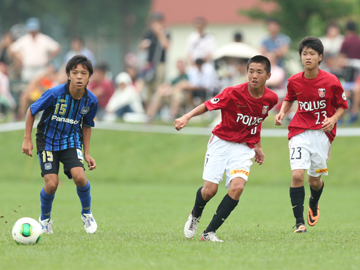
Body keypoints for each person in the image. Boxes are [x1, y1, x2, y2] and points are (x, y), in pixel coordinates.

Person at [175, 55, 278, 242]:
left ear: (268, 76)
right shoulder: (233, 92)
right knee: (209, 191)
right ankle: (195, 215)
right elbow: (208, 105)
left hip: (244, 148)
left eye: (259, 72)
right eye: (251, 71)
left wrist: (258, 147)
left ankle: (209, 233)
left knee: (237, 187)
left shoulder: (271, 98)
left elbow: (256, 122)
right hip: (221, 142)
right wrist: (186, 117)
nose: (254, 75)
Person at [274, 37, 348, 233]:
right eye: (304, 54)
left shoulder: (331, 81)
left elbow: (342, 106)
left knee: (314, 181)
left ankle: (313, 203)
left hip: (322, 134)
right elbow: (289, 98)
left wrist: (332, 119)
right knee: (297, 174)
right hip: (299, 131)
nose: (307, 57)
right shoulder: (294, 80)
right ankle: (299, 223)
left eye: (312, 54)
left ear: (320, 57)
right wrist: (283, 112)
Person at [21, 55, 98, 234]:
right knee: (52, 184)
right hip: (47, 141)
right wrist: (27, 139)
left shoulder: (91, 101)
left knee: (80, 177)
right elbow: (31, 110)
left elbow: (87, 125)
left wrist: (86, 153)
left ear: (89, 77)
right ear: (68, 75)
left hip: (71, 141)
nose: (79, 76)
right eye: (75, 72)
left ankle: (87, 214)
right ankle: (45, 220)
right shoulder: (55, 94)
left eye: (83, 73)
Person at [9, 17, 61, 82]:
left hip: (41, 69)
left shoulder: (43, 39)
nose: (33, 32)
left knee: (40, 88)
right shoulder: (24, 39)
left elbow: (57, 47)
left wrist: (48, 58)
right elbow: (12, 49)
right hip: (27, 69)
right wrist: (19, 59)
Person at [139, 12, 170, 107]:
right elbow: (140, 46)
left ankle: (157, 109)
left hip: (160, 63)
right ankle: (149, 110)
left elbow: (166, 46)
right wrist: (143, 45)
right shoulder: (148, 33)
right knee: (148, 87)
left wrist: (160, 33)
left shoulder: (165, 33)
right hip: (149, 64)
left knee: (158, 87)